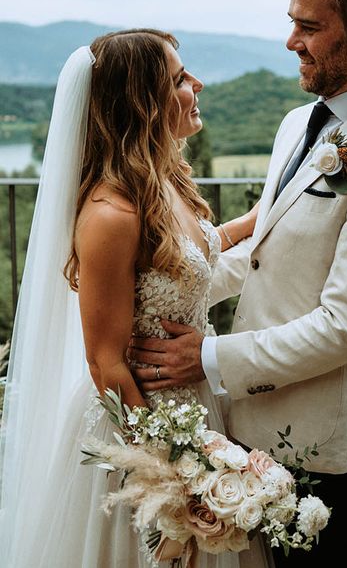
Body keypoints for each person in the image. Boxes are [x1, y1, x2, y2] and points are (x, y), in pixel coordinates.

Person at [129, 0, 347, 567]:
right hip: (241, 431)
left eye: (309, 26)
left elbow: (346, 326)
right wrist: (167, 293)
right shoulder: (297, 126)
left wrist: (207, 358)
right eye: (292, 22)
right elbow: (263, 254)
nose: (291, 41)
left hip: (317, 446)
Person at [0, 29, 270, 567]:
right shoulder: (109, 214)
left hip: (194, 407)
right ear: (143, 104)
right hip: (141, 427)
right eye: (178, 80)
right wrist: (176, 469)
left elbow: (195, 250)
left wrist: (270, 214)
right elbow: (104, 363)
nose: (197, 84)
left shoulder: (159, 185)